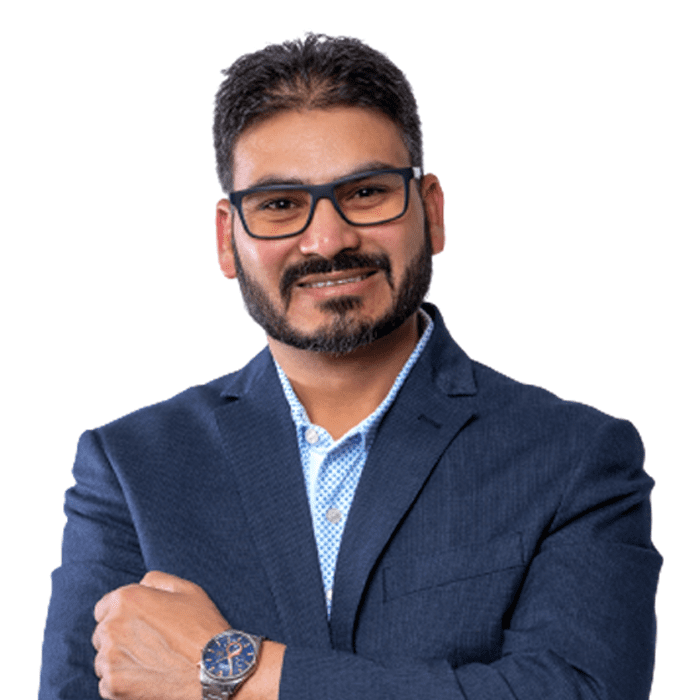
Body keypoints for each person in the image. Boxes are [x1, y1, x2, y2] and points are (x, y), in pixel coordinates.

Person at [40, 34, 661, 700]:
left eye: (365, 193)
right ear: (228, 239)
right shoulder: (132, 469)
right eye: (279, 204)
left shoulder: (574, 458)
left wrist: (233, 669)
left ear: (431, 211)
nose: (328, 239)